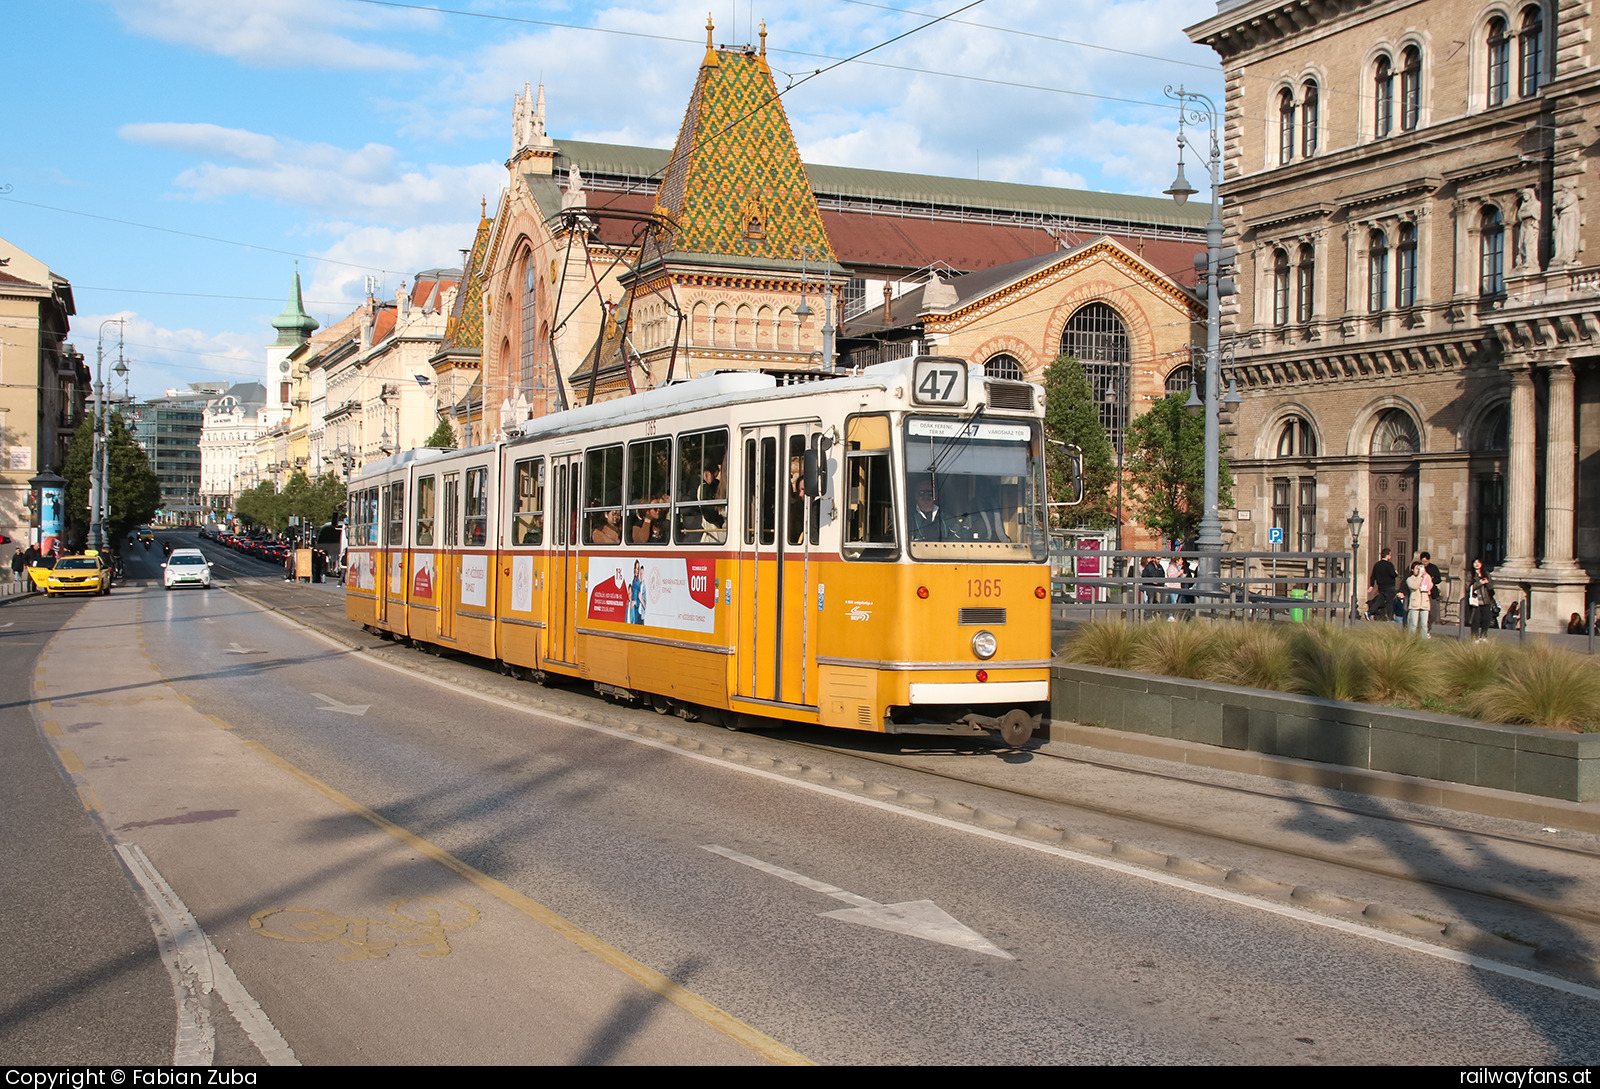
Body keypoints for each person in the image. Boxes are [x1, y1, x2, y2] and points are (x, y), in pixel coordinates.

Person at [1463, 558, 1496, 641]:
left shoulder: (1486, 574)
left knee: (1487, 619)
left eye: (1478, 562)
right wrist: (1479, 583)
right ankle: (1475, 637)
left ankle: (1484, 636)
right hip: (1475, 600)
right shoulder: (1470, 574)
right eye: (1475, 562)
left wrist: (1487, 582)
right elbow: (1468, 587)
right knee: (1475, 620)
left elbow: (1491, 587)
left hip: (1486, 599)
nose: (1476, 564)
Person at [1369, 547, 1398, 621]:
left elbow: (1373, 576)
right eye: (1390, 555)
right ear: (1387, 555)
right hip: (1389, 586)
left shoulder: (1377, 565)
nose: (1390, 557)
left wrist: (1371, 585)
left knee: (1380, 600)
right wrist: (1396, 573)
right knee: (1389, 602)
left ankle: (1371, 612)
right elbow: (1393, 574)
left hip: (1381, 586)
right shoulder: (1389, 565)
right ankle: (1390, 617)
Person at [1405, 559, 1432, 637]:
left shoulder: (1425, 578)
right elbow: (1414, 586)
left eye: (1419, 568)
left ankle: (1424, 639)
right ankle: (1411, 638)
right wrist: (1419, 576)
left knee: (1424, 624)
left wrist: (1426, 576)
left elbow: (1429, 586)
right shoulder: (1410, 579)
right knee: (1413, 624)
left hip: (1424, 603)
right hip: (1415, 603)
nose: (1418, 570)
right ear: (1412, 570)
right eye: (1417, 569)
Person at [1420, 551, 1443, 629]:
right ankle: (1423, 628)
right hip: (1422, 592)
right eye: (1423, 561)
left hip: (1431, 592)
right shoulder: (1419, 567)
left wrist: (1430, 580)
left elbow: (1438, 579)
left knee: (1433, 613)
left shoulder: (1433, 568)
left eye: (1426, 561)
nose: (1424, 563)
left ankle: (1428, 627)